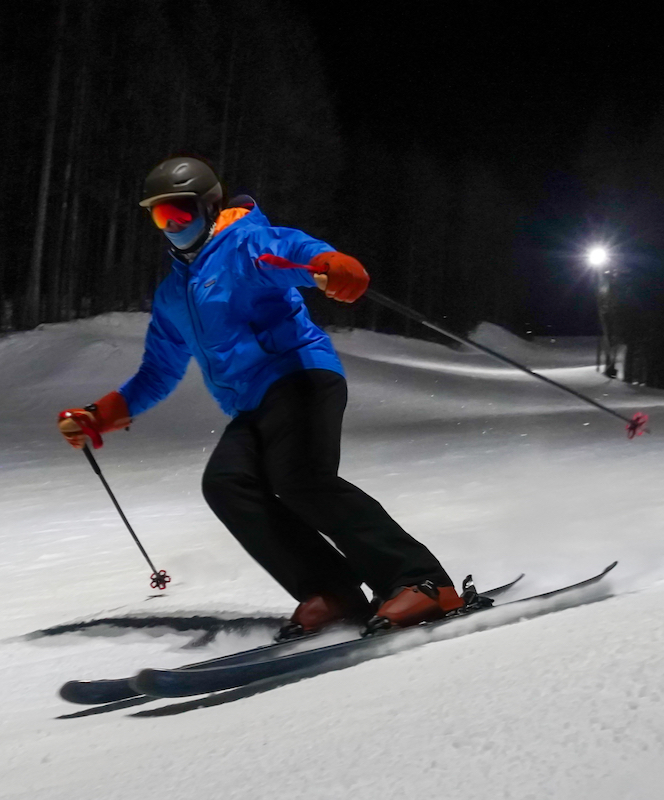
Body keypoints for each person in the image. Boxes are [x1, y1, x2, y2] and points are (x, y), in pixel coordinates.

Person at [58, 156, 463, 639]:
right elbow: (158, 371)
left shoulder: (246, 244)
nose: (173, 226)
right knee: (227, 483)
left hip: (301, 377)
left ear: (211, 206)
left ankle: (424, 582)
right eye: (162, 217)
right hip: (252, 403)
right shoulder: (172, 294)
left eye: (182, 213)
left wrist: (331, 265)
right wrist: (100, 415)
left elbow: (293, 251)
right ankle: (333, 592)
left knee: (300, 479)